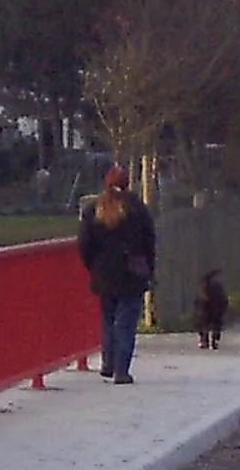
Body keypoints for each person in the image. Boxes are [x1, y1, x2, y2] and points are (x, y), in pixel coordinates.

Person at [77, 163, 156, 384]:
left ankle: (107, 362)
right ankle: (122, 370)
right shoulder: (137, 208)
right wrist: (149, 268)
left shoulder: (93, 209)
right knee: (126, 323)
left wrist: (93, 266)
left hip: (103, 274)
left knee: (108, 319)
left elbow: (84, 244)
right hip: (132, 272)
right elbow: (149, 241)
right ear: (127, 183)